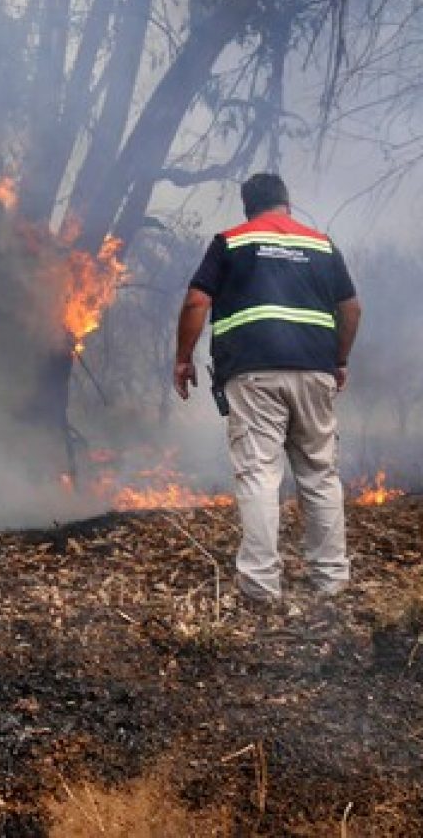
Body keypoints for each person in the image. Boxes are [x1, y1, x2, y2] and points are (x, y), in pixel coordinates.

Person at [173, 173, 361, 604]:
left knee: (259, 473)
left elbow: (196, 301)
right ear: (286, 203)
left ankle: (260, 585)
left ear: (248, 206)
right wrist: (339, 360)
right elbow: (351, 308)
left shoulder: (232, 241)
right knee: (319, 472)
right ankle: (331, 580)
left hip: (254, 373)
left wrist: (183, 359)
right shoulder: (321, 244)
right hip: (315, 371)